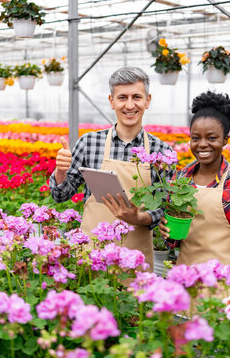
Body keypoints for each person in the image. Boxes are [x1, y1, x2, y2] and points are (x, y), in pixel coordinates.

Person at [50, 66, 175, 271]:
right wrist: (61, 171)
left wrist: (139, 218)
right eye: (122, 97)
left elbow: (165, 207)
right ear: (112, 101)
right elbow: (60, 195)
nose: (129, 105)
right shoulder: (89, 143)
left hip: (135, 258)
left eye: (136, 97)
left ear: (147, 101)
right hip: (92, 255)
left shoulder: (161, 151)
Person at [160, 91, 230, 270]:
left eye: (212, 138)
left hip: (225, 286)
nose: (202, 144)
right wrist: (167, 233)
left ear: (225, 140)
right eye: (195, 138)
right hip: (185, 282)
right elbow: (171, 243)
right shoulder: (180, 178)